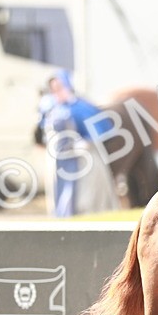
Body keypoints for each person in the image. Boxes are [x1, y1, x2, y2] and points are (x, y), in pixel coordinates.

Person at [41, 70, 119, 217]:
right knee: (58, 191)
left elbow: (97, 129)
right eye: (54, 89)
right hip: (58, 159)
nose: (57, 92)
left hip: (82, 158)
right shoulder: (51, 108)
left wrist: (85, 142)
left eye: (60, 87)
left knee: (85, 196)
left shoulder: (81, 106)